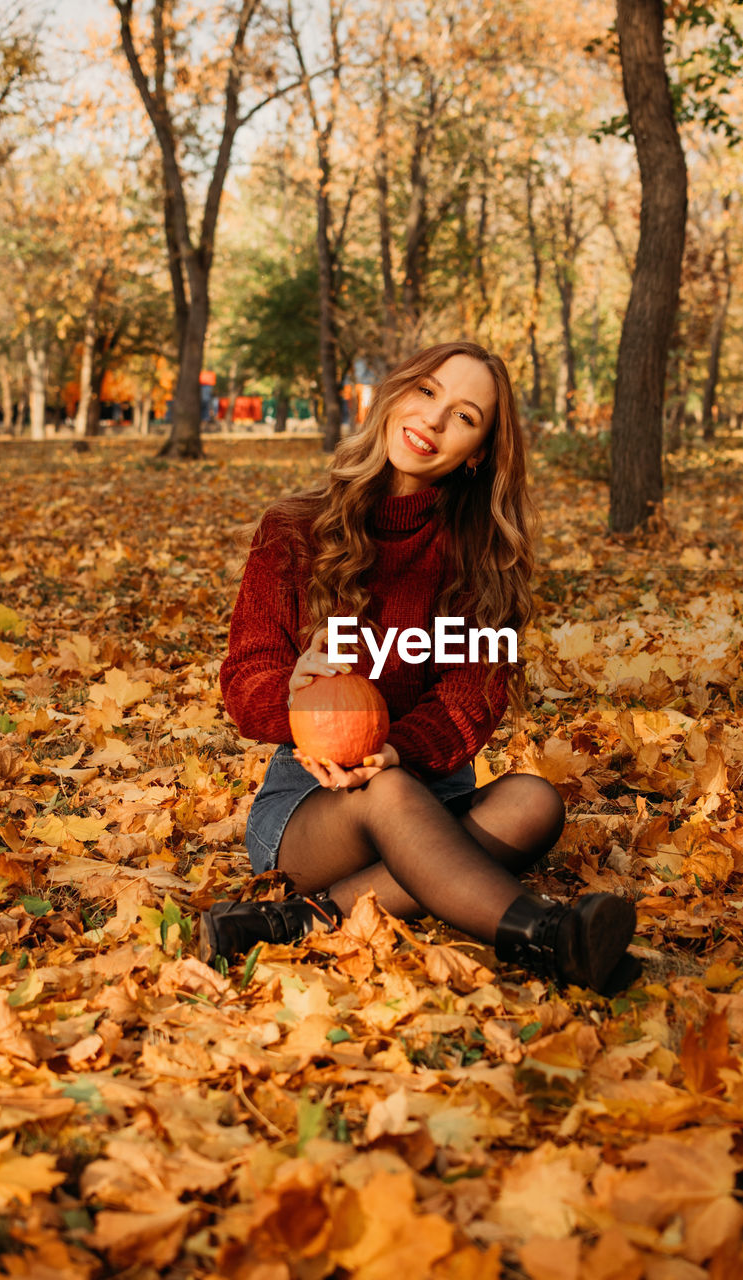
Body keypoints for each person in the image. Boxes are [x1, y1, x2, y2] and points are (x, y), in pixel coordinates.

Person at [201, 341, 640, 995]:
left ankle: (295, 923)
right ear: (395, 392)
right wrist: (291, 698)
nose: (432, 423)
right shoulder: (293, 527)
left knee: (532, 801)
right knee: (381, 789)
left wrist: (398, 749)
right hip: (315, 808)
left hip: (434, 788)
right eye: (426, 393)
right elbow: (248, 673)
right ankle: (547, 936)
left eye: (464, 416)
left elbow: (471, 697)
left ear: (480, 450)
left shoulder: (482, 555)